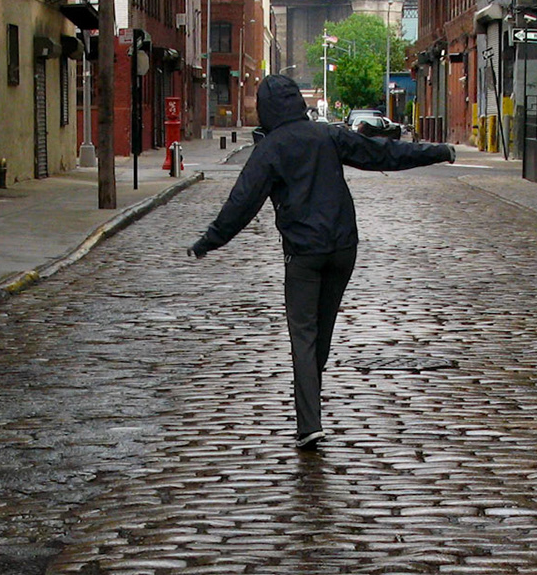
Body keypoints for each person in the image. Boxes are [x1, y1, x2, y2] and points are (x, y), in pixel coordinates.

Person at [189, 73, 455, 450]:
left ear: (266, 108)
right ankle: (310, 410)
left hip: (303, 254)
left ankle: (308, 424)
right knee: (321, 336)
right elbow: (381, 152)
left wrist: (208, 241)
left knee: (304, 336)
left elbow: (242, 203)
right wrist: (438, 151)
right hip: (343, 249)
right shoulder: (327, 135)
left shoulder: (271, 149)